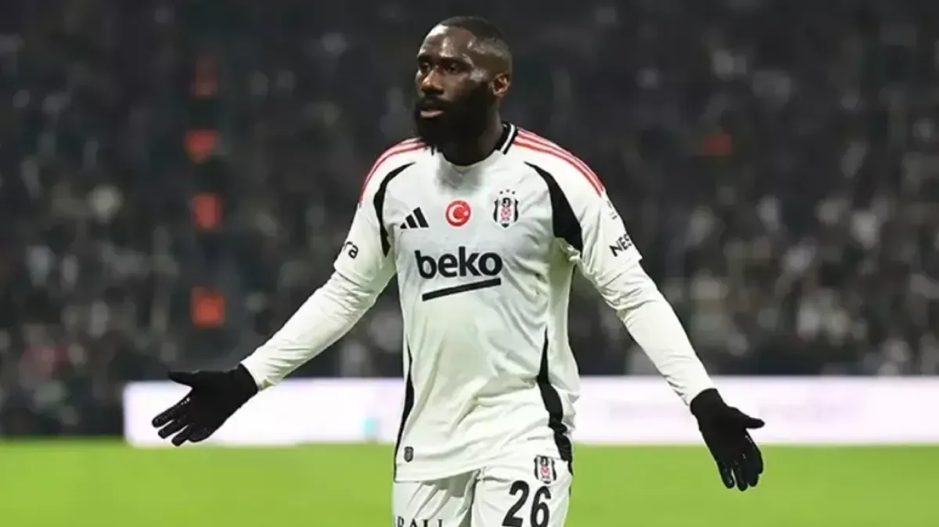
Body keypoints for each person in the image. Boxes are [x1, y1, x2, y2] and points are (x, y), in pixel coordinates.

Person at [151, 15, 765, 526]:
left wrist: (702, 400)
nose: (430, 81)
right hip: (426, 446)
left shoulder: (555, 179)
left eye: (450, 68)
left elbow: (633, 293)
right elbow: (345, 295)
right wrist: (246, 379)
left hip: (524, 433)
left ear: (498, 84)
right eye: (424, 66)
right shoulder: (395, 178)